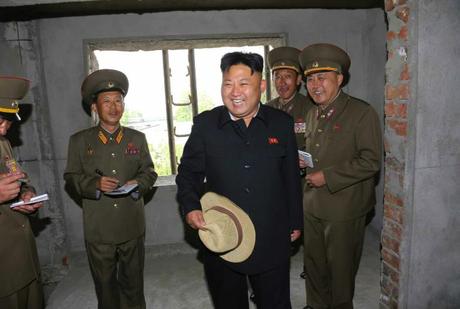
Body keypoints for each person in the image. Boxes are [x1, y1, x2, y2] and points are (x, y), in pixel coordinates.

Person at [176, 52, 303, 309]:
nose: (235, 92)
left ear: (262, 86)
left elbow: (290, 177)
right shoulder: (206, 125)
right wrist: (190, 207)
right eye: (228, 83)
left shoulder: (280, 124)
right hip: (223, 235)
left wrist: (295, 221)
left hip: (271, 236)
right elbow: (188, 173)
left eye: (244, 83)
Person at [64, 69, 157, 309]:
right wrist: (95, 184)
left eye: (118, 100)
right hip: (100, 228)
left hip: (131, 224)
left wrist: (139, 183)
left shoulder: (136, 138)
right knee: (105, 287)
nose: (114, 107)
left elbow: (149, 171)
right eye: (107, 101)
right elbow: (71, 176)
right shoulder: (80, 141)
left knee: (133, 285)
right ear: (94, 107)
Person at [298, 43, 382, 309]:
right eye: (310, 79)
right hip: (312, 204)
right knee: (313, 265)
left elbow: (371, 161)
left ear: (340, 79)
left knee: (341, 272)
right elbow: (317, 153)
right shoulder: (311, 114)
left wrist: (329, 176)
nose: (315, 85)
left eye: (322, 77)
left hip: (345, 207)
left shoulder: (361, 112)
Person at [0, 76, 44, 309]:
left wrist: (26, 195)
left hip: (23, 258)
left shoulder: (3, 143)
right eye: (0, 118)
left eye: (8, 120)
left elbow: (19, 179)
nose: (5, 127)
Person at [266, 46, 314, 151]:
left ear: (298, 79)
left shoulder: (310, 108)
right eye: (277, 77)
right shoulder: (266, 109)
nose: (282, 83)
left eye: (287, 76)